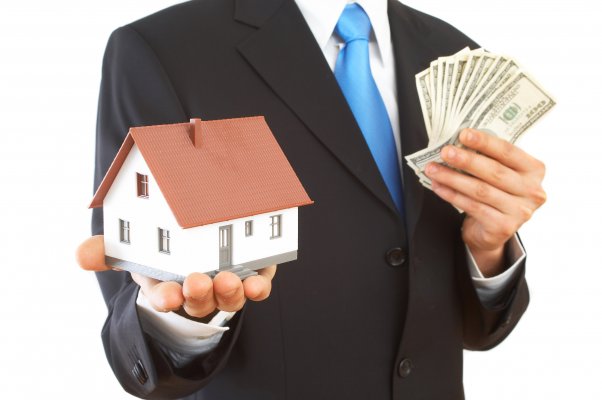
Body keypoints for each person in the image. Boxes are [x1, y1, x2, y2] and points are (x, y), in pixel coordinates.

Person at [76, 0, 546, 399]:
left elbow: (474, 330)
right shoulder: (163, 50)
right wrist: (183, 320)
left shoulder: (452, 49)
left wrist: (488, 249)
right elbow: (141, 338)